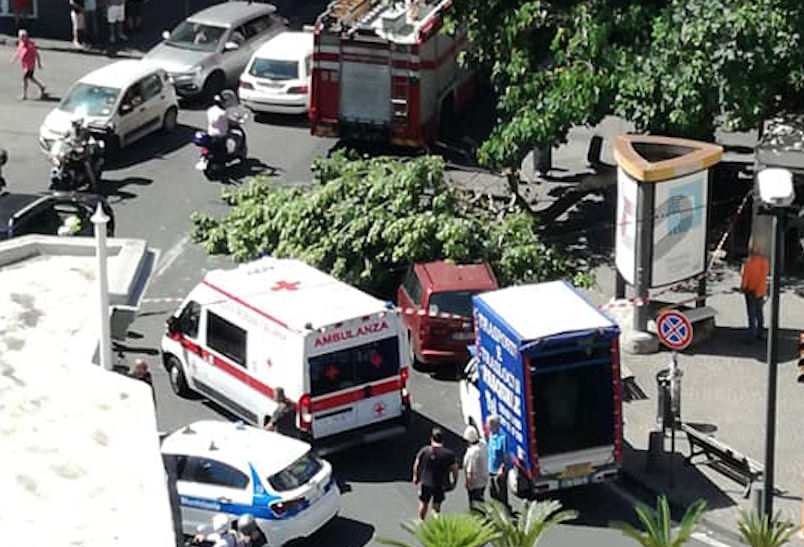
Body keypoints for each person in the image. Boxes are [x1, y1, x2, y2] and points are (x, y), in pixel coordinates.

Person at [412, 427, 458, 519]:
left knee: (423, 503)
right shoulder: (449, 454)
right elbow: (455, 469)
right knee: (436, 507)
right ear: (443, 439)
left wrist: (415, 476)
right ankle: (435, 524)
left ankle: (422, 521)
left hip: (426, 482)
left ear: (432, 438)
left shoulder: (424, 450)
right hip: (440, 484)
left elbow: (416, 464)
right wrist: (454, 482)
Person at [741, 249, 770, 343]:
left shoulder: (748, 264)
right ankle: (760, 333)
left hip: (750, 291)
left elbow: (745, 278)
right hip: (761, 290)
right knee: (759, 312)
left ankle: (751, 336)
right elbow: (765, 274)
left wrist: (743, 287)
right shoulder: (765, 262)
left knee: (751, 314)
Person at [10, 29, 45, 101]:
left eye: (23, 36)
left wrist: (39, 64)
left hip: (30, 66)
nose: (21, 38)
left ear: (26, 37)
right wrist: (14, 59)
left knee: (24, 79)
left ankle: (24, 95)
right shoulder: (21, 43)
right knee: (31, 78)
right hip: (25, 65)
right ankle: (41, 86)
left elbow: (37, 54)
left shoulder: (30, 45)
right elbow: (19, 52)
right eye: (20, 36)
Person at [486, 414, 510, 510]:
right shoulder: (491, 435)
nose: (487, 427)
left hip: (499, 471)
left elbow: (506, 456)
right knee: (493, 492)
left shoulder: (503, 438)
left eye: (489, 425)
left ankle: (505, 510)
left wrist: (502, 468)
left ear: (494, 425)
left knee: (502, 493)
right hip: (491, 469)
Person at [462, 425, 488, 507]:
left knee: (475, 505)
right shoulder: (483, 445)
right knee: (481, 502)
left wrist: (469, 484)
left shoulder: (472, 453)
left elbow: (470, 472)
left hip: (475, 484)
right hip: (483, 480)